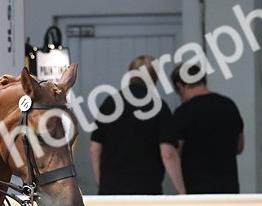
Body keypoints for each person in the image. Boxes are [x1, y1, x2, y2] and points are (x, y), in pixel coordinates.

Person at [89, 55, 185, 195]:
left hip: (110, 191)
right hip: (146, 190)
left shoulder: (110, 103)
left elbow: (94, 149)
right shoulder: (158, 107)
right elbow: (168, 153)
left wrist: (101, 182)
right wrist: (182, 191)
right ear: (155, 78)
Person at [171, 64, 245, 194]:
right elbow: (239, 147)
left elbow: (174, 152)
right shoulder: (229, 106)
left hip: (197, 191)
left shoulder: (184, 112)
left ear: (180, 87)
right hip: (229, 190)